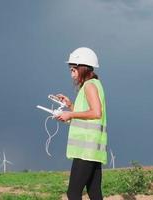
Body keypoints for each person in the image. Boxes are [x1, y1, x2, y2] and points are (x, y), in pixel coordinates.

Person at [55, 47, 107, 200]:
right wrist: (70, 106)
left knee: (73, 193)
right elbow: (89, 114)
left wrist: (70, 114)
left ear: (82, 68)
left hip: (86, 149)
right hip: (93, 149)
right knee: (94, 192)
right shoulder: (94, 84)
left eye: (73, 70)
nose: (71, 74)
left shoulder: (90, 86)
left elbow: (96, 113)